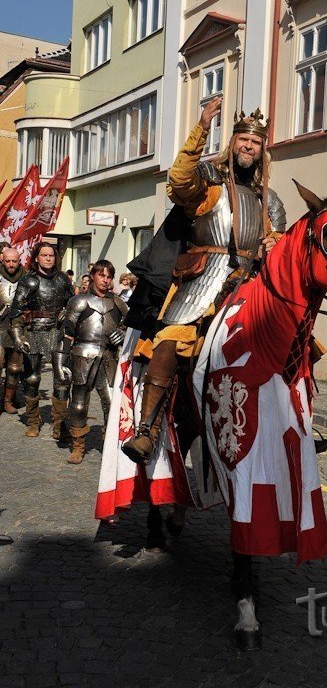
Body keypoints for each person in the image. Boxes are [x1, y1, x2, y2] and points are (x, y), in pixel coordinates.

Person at [122, 96, 286, 464]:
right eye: (244, 139)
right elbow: (178, 180)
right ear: (233, 142)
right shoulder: (210, 180)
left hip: (248, 287)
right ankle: (146, 429)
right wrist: (201, 128)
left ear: (262, 151)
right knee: (169, 340)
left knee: (295, 340)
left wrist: (271, 245)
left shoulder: (269, 200)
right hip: (202, 284)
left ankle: (293, 424)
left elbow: (279, 242)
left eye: (256, 142)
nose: (249, 146)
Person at [53, 260, 128, 464]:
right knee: (78, 404)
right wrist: (60, 364)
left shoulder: (118, 303)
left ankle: (111, 445)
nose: (105, 279)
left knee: (112, 404)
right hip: (82, 355)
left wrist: (122, 333)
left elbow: (129, 326)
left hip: (109, 357)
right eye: (102, 275)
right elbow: (66, 333)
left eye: (109, 276)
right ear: (93, 275)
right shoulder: (79, 301)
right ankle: (78, 446)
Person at [9, 242, 74, 438]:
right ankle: (32, 420)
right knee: (32, 378)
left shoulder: (63, 279)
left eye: (51, 255)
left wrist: (67, 313)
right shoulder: (28, 280)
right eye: (44, 255)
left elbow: (73, 304)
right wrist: (19, 337)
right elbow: (16, 311)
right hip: (34, 331)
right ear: (36, 257)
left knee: (62, 378)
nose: (48, 258)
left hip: (57, 331)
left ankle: (59, 423)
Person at [0, 248, 25, 414]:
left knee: (15, 367)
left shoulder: (28, 279)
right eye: (7, 261)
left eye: (14, 261)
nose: (10, 264)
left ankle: (8, 400)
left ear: (19, 261)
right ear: (2, 260)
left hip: (18, 327)